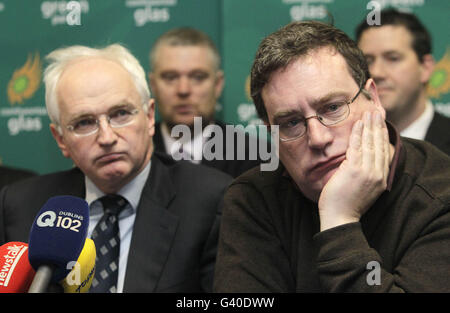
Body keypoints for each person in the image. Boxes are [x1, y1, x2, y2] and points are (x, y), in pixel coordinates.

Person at [213, 21, 450, 292]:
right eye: (291, 123)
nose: (317, 138)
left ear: (373, 99)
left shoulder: (440, 194)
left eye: (333, 108)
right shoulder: (253, 198)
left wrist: (340, 221)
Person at [0, 44, 232, 292]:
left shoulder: (212, 202)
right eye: (84, 122)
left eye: (121, 113)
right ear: (60, 139)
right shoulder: (21, 206)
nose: (107, 137)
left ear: (150, 117)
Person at [149, 27, 262, 178]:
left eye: (198, 77)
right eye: (170, 77)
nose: (183, 90)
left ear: (218, 84)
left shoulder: (254, 156)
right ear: (153, 85)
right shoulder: (134, 153)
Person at [356, 8, 450, 155]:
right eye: (367, 61)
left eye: (393, 58)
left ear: (425, 68)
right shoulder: (345, 146)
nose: (376, 72)